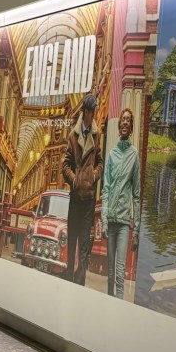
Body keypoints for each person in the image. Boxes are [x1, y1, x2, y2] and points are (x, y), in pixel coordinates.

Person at [61, 93, 103, 285]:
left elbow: (100, 162)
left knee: (85, 246)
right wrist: (75, 180)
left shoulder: (97, 134)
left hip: (89, 202)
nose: (93, 114)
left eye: (94, 110)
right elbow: (65, 165)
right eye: (91, 110)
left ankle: (80, 284)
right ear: (86, 111)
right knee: (72, 244)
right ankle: (68, 281)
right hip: (76, 199)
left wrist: (94, 175)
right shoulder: (73, 135)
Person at [101, 108, 140, 298]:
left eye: (128, 120)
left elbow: (136, 195)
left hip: (124, 223)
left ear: (131, 126)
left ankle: (119, 307)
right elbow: (106, 189)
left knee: (119, 274)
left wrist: (137, 230)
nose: (125, 122)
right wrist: (104, 219)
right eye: (123, 119)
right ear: (119, 125)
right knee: (109, 274)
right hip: (110, 222)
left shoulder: (134, 155)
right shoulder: (112, 154)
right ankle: (109, 306)